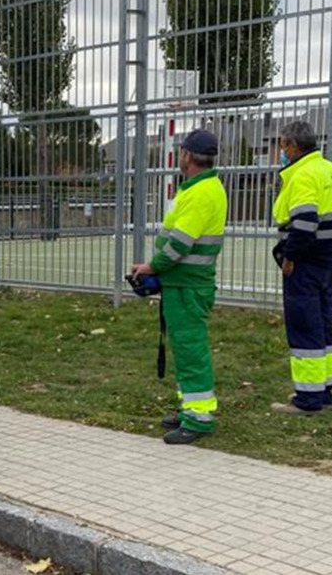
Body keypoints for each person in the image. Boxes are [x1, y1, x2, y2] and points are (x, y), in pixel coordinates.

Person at [131, 129, 227, 445]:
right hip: (183, 285)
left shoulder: (200, 193)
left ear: (186, 155)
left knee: (190, 349)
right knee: (185, 349)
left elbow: (179, 245)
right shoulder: (200, 188)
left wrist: (151, 267)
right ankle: (190, 408)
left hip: (188, 287)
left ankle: (198, 418)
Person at [271, 121, 332, 415]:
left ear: (293, 146)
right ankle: (324, 391)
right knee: (322, 324)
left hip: (303, 264)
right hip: (327, 262)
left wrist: (290, 258)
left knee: (304, 327)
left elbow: (304, 223)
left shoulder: (303, 176)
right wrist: (331, 253)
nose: (281, 151)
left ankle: (307, 399)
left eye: (282, 145)